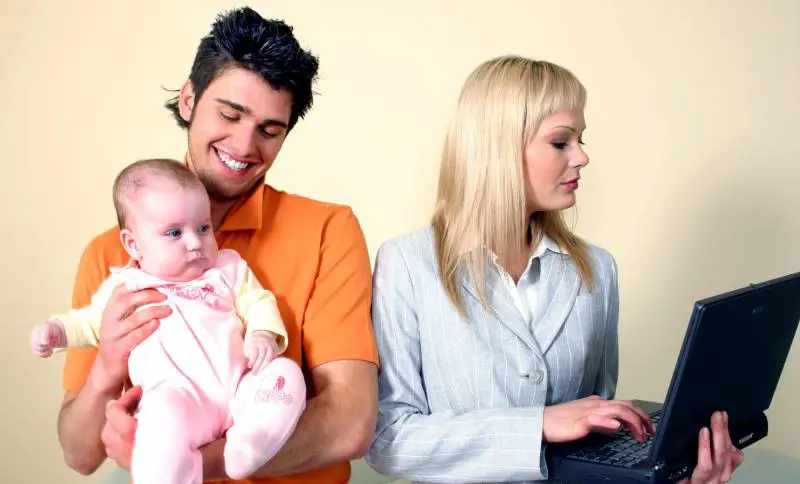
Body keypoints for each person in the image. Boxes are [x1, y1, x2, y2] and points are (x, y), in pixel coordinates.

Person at [365, 55, 745, 483]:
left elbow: (593, 442)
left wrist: (671, 474)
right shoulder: (407, 265)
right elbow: (389, 440)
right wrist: (538, 424)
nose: (582, 157)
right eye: (562, 142)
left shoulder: (598, 270)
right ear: (498, 147)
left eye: (581, 139)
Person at [56, 7, 379, 484]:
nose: (245, 145)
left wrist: (176, 463)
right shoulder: (111, 256)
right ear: (188, 99)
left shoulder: (328, 230)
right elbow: (78, 454)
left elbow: (350, 421)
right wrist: (106, 370)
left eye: (270, 130)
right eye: (230, 114)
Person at [33, 158, 305, 483]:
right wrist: (57, 330)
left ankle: (248, 445)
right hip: (180, 401)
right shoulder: (126, 287)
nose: (195, 242)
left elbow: (258, 301)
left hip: (240, 389)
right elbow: (87, 323)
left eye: (203, 227)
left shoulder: (227, 269)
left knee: (283, 375)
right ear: (133, 244)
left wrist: (262, 333)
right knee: (161, 415)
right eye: (174, 233)